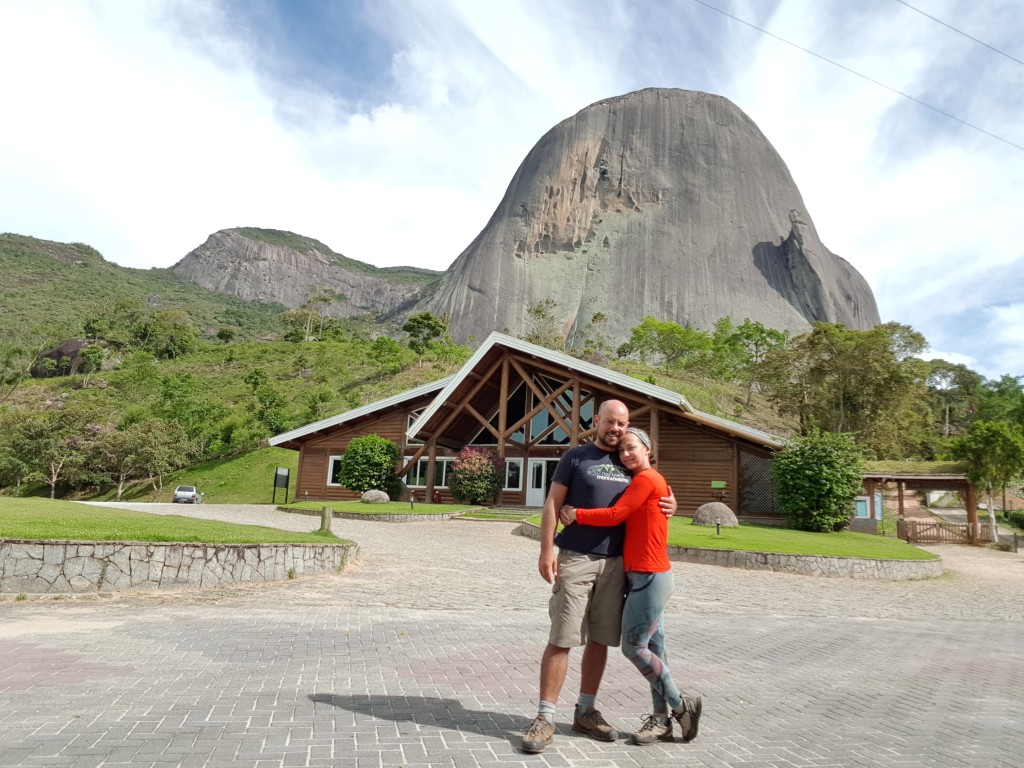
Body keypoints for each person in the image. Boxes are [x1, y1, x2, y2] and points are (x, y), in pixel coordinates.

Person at [520, 401, 677, 754]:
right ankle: (545, 717)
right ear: (596, 422)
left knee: (601, 639)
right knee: (563, 636)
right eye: (610, 422)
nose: (616, 429)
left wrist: (673, 501)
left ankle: (586, 711)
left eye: (622, 424)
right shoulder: (576, 457)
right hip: (576, 558)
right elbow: (551, 503)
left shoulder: (629, 463)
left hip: (617, 564)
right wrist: (546, 549)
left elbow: (656, 488)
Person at [560, 426, 702, 746]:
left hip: (649, 577)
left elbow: (616, 514)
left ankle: (681, 707)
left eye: (632, 448)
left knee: (633, 647)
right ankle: (661, 721)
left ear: (647, 450)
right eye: (622, 450)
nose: (626, 454)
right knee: (655, 650)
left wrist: (575, 514)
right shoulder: (649, 481)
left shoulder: (646, 479)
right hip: (645, 576)